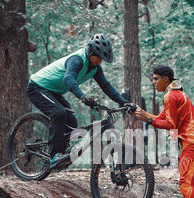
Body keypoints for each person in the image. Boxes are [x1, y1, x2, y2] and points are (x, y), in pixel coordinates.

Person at [27, 34, 129, 163]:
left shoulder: (95, 68)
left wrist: (124, 103)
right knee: (58, 113)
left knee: (72, 123)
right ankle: (53, 155)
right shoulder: (77, 60)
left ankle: (61, 157)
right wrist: (83, 97)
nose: (100, 61)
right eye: (98, 57)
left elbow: (106, 86)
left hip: (53, 92)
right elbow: (68, 79)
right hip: (37, 87)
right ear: (91, 52)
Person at [134, 65, 194, 198]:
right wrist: (146, 115)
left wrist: (149, 120)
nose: (153, 82)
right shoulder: (175, 93)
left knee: (186, 183)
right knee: (188, 182)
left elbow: (170, 124)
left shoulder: (170, 95)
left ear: (166, 79)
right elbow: (164, 118)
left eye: (156, 79)